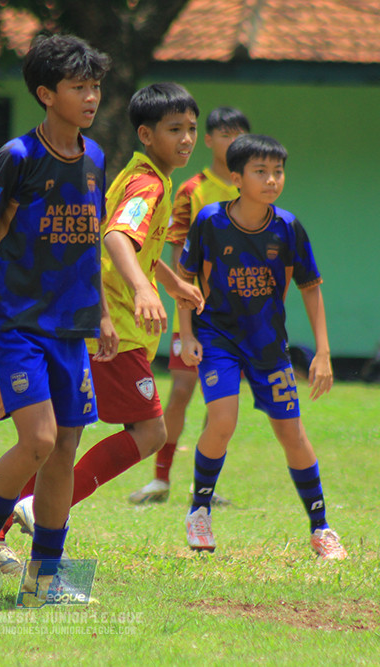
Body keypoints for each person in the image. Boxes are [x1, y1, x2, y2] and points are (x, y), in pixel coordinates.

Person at [0, 33, 116, 598]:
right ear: (47, 94)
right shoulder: (19, 156)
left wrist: (101, 314)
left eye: (95, 86)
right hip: (15, 323)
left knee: (65, 450)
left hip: (72, 328)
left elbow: (87, 241)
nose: (91, 97)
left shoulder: (95, 158)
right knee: (41, 439)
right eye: (79, 87)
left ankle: (46, 576)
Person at [4, 82, 205, 540]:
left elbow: (138, 247)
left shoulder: (145, 174)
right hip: (114, 329)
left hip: (99, 322)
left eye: (192, 128)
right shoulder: (148, 183)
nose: (187, 139)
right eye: (174, 129)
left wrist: (171, 285)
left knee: (61, 439)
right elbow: (115, 237)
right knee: (150, 430)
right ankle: (40, 508)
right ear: (146, 134)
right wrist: (142, 291)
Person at [177, 134, 347, 560]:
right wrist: (185, 335)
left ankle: (321, 528)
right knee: (222, 421)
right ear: (236, 177)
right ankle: (199, 509)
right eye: (261, 172)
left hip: (269, 345)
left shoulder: (288, 227)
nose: (272, 180)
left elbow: (310, 287)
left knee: (292, 433)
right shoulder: (210, 222)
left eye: (278, 171)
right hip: (217, 338)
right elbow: (185, 279)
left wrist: (323, 353)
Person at [129, 106, 250, 506]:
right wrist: (183, 303)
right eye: (224, 134)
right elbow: (179, 254)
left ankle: (205, 487)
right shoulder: (191, 189)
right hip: (195, 310)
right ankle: (160, 479)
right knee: (181, 389)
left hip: (237, 315)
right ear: (211, 140)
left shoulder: (251, 188)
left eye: (240, 134)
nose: (232, 142)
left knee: (221, 401)